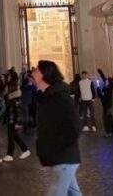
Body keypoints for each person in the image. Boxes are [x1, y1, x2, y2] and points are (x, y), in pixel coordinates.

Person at [32, 60, 81, 196]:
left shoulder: (60, 97)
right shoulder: (46, 97)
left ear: (44, 74)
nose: (32, 72)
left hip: (64, 157)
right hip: (60, 157)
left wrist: (57, 145)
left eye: (36, 70)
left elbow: (75, 125)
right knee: (73, 193)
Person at [5, 73, 30, 160]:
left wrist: (17, 123)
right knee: (14, 136)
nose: (6, 89)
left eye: (8, 87)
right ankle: (25, 150)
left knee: (11, 137)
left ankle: (10, 154)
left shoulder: (15, 98)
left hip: (13, 121)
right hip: (11, 120)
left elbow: (18, 112)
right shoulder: (10, 97)